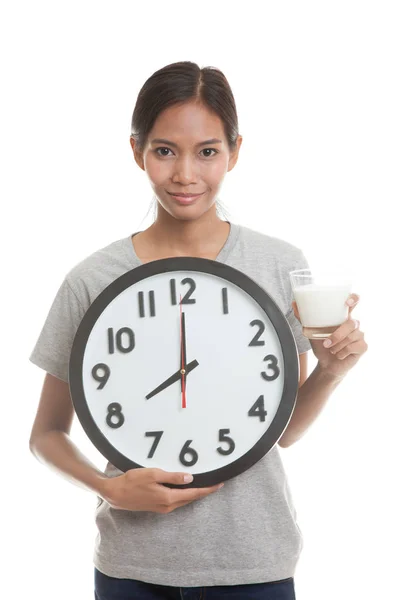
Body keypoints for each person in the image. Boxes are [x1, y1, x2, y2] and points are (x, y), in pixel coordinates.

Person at [29, 61, 367, 600]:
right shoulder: (93, 278)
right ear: (137, 150)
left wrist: (329, 372)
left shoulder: (278, 264)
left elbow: (283, 431)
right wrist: (108, 487)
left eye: (207, 151)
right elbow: (45, 434)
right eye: (165, 150)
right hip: (131, 567)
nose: (186, 173)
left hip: (253, 563)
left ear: (235, 150)